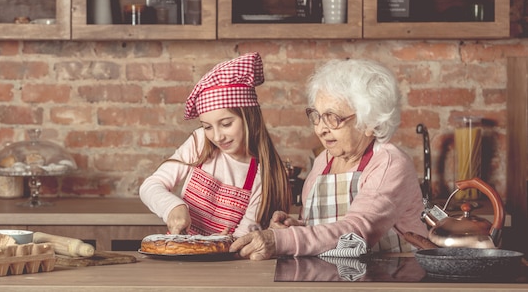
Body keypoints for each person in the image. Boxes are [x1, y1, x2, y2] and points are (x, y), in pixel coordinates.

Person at [230, 59, 428, 260]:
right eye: (317, 116)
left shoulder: (389, 163)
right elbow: (318, 229)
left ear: (370, 121)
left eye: (333, 117)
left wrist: (282, 241)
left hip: (392, 276)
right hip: (335, 274)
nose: (320, 129)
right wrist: (291, 228)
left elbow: (356, 232)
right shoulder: (323, 161)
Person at [139, 52, 291, 238]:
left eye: (226, 124)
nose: (217, 137)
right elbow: (150, 186)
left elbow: (244, 240)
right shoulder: (200, 141)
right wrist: (174, 207)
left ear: (249, 117)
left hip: (228, 263)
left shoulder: (264, 173)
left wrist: (220, 243)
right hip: (180, 257)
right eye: (208, 126)